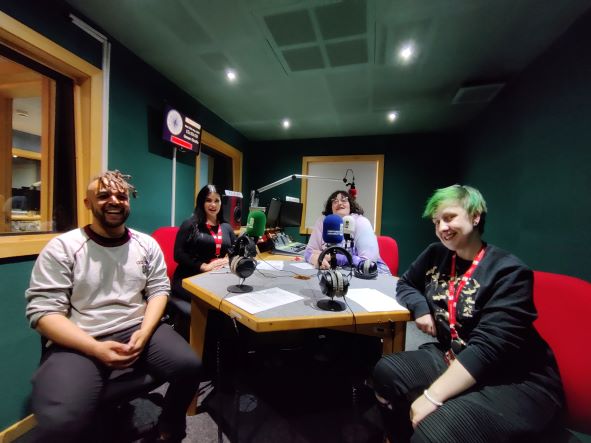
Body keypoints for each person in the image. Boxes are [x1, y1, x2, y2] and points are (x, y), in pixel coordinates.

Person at [372, 184, 563, 443]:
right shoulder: (435, 254)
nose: (441, 228)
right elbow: (405, 283)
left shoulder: (508, 272)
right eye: (436, 221)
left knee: (435, 431)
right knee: (387, 371)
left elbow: (489, 349)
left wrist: (432, 396)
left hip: (515, 379)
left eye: (449, 218)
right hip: (454, 354)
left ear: (475, 216)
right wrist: (421, 308)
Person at [25, 170, 201, 443]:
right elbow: (43, 312)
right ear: (87, 203)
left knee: (190, 366)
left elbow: (158, 291)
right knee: (61, 422)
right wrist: (94, 347)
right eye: (104, 195)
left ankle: (170, 424)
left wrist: (144, 332)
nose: (114, 201)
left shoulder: (146, 244)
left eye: (122, 195)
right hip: (82, 336)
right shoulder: (63, 247)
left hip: (136, 326)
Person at [172, 184, 237, 301]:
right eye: (208, 200)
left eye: (217, 201)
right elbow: (178, 255)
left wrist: (228, 259)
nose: (213, 204)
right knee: (215, 302)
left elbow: (235, 249)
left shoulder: (226, 226)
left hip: (216, 277)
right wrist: (204, 266)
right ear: (201, 202)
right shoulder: (190, 224)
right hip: (189, 278)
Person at [304, 189, 386, 271]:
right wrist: (315, 258)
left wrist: (334, 257)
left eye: (344, 200)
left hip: (369, 273)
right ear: (331, 207)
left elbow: (368, 263)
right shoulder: (323, 221)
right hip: (333, 272)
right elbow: (309, 251)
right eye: (335, 201)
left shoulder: (361, 222)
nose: (339, 203)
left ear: (350, 205)